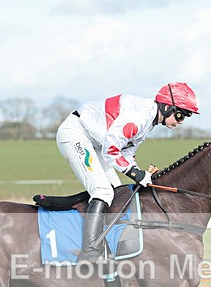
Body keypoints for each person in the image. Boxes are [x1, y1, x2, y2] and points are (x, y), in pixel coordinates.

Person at [56, 82, 199, 262]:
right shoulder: (139, 118)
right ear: (166, 106)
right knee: (103, 191)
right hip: (76, 134)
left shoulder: (149, 121)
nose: (180, 122)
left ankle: (108, 245)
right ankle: (89, 252)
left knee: (119, 193)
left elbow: (126, 153)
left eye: (184, 117)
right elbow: (111, 150)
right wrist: (134, 173)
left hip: (97, 142)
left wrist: (139, 173)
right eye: (180, 115)